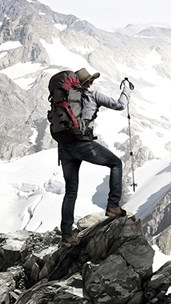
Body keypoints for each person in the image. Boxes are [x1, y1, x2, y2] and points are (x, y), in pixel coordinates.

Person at [58, 68, 132, 247]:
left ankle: (67, 235)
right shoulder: (93, 95)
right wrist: (127, 90)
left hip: (64, 147)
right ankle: (113, 206)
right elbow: (119, 105)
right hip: (83, 144)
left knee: (70, 191)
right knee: (116, 163)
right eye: (91, 80)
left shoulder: (65, 99)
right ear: (89, 82)